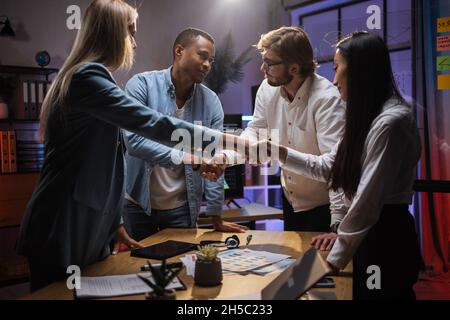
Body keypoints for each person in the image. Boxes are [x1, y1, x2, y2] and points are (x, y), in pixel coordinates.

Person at [16, 0, 222, 292]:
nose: (135, 44)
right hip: (63, 224)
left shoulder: (92, 77)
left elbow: (109, 161)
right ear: (112, 34)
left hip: (89, 225)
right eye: (131, 33)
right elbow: (151, 124)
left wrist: (114, 223)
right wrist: (222, 139)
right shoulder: (88, 78)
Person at [258, 32, 422, 299]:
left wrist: (332, 259)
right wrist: (277, 152)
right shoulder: (368, 116)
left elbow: (367, 203)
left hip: (385, 238)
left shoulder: (391, 122)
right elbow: (329, 168)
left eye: (337, 69)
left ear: (359, 71)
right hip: (366, 235)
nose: (334, 80)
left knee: (379, 294)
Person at [123, 28, 247, 240]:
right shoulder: (141, 85)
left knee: (182, 269)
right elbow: (135, 142)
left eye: (211, 60)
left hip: (182, 208)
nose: (208, 65)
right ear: (179, 51)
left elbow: (213, 157)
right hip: (138, 204)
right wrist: (188, 159)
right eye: (202, 55)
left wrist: (216, 215)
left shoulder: (211, 102)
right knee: (139, 270)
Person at [220, 26, 346, 232]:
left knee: (320, 264)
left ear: (294, 69)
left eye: (269, 64)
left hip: (326, 207)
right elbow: (256, 132)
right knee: (295, 263)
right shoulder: (267, 88)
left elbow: (332, 169)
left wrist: (279, 152)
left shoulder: (327, 99)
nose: (263, 69)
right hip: (289, 200)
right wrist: (224, 159)